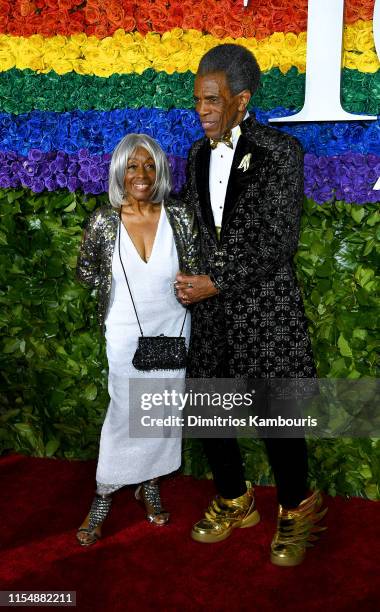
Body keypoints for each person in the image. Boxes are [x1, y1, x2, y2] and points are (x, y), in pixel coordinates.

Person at [175, 44, 327, 567]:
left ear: (242, 100)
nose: (203, 111)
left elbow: (276, 239)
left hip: (264, 305)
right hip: (212, 311)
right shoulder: (196, 156)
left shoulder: (281, 151)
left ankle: (295, 508)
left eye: (213, 100)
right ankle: (235, 499)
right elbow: (196, 227)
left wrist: (214, 281)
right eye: (197, 101)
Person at [76, 133, 200, 546]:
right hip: (126, 331)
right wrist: (117, 289)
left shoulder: (179, 216)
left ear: (160, 170)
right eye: (132, 166)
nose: (141, 174)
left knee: (162, 412)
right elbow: (86, 273)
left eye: (149, 165)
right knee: (125, 412)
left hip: (174, 326)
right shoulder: (103, 221)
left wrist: (187, 288)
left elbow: (195, 267)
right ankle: (104, 494)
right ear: (120, 173)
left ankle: (149, 484)